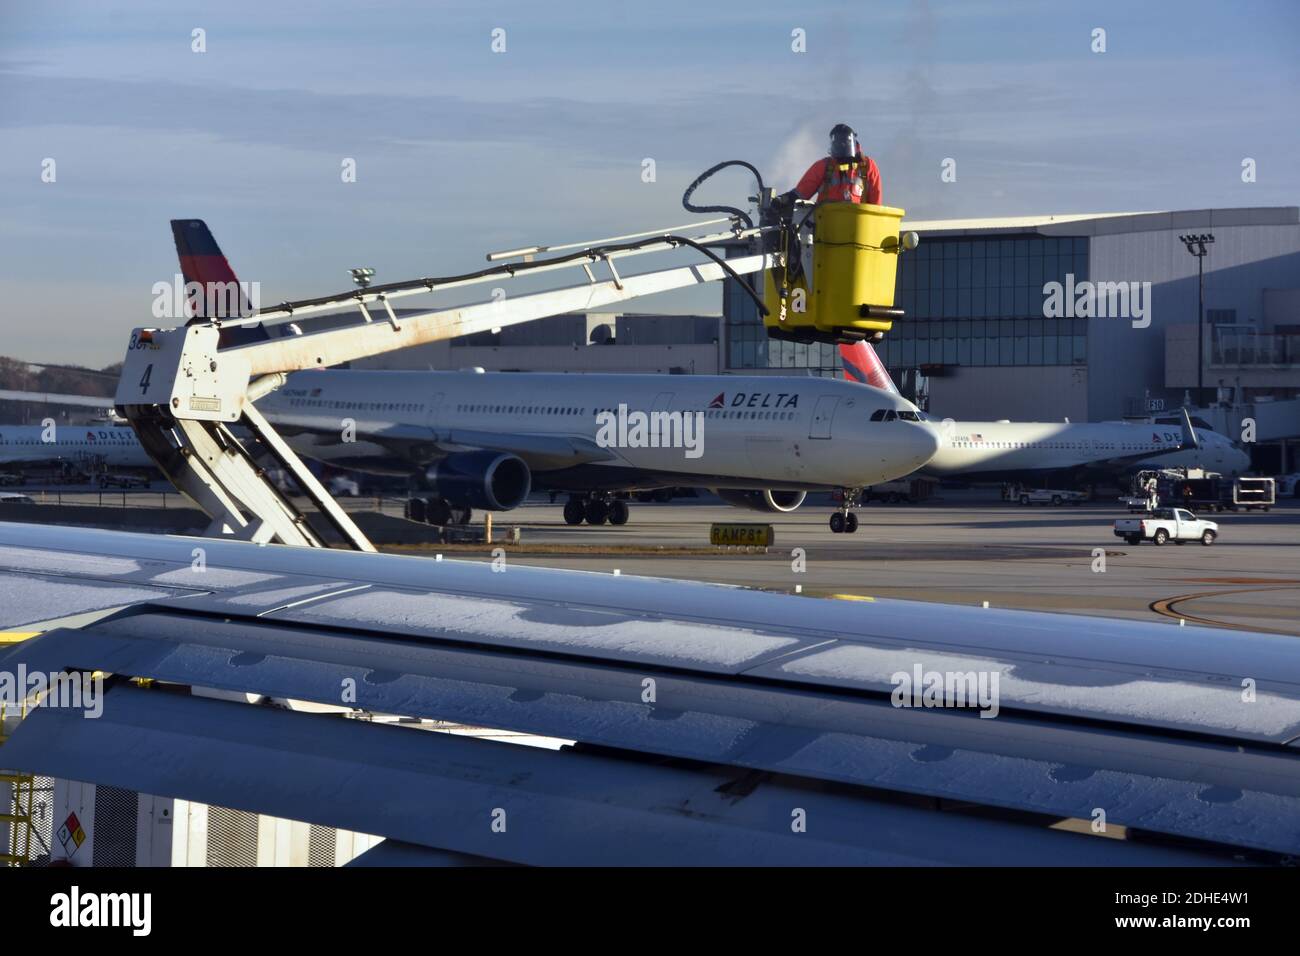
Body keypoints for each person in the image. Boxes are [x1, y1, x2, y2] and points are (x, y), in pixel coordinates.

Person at [779, 124, 883, 208]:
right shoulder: (823, 166)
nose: (842, 146)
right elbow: (801, 193)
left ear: (853, 144)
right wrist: (782, 201)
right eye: (838, 143)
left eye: (845, 142)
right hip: (826, 225)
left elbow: (876, 205)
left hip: (859, 226)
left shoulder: (867, 166)